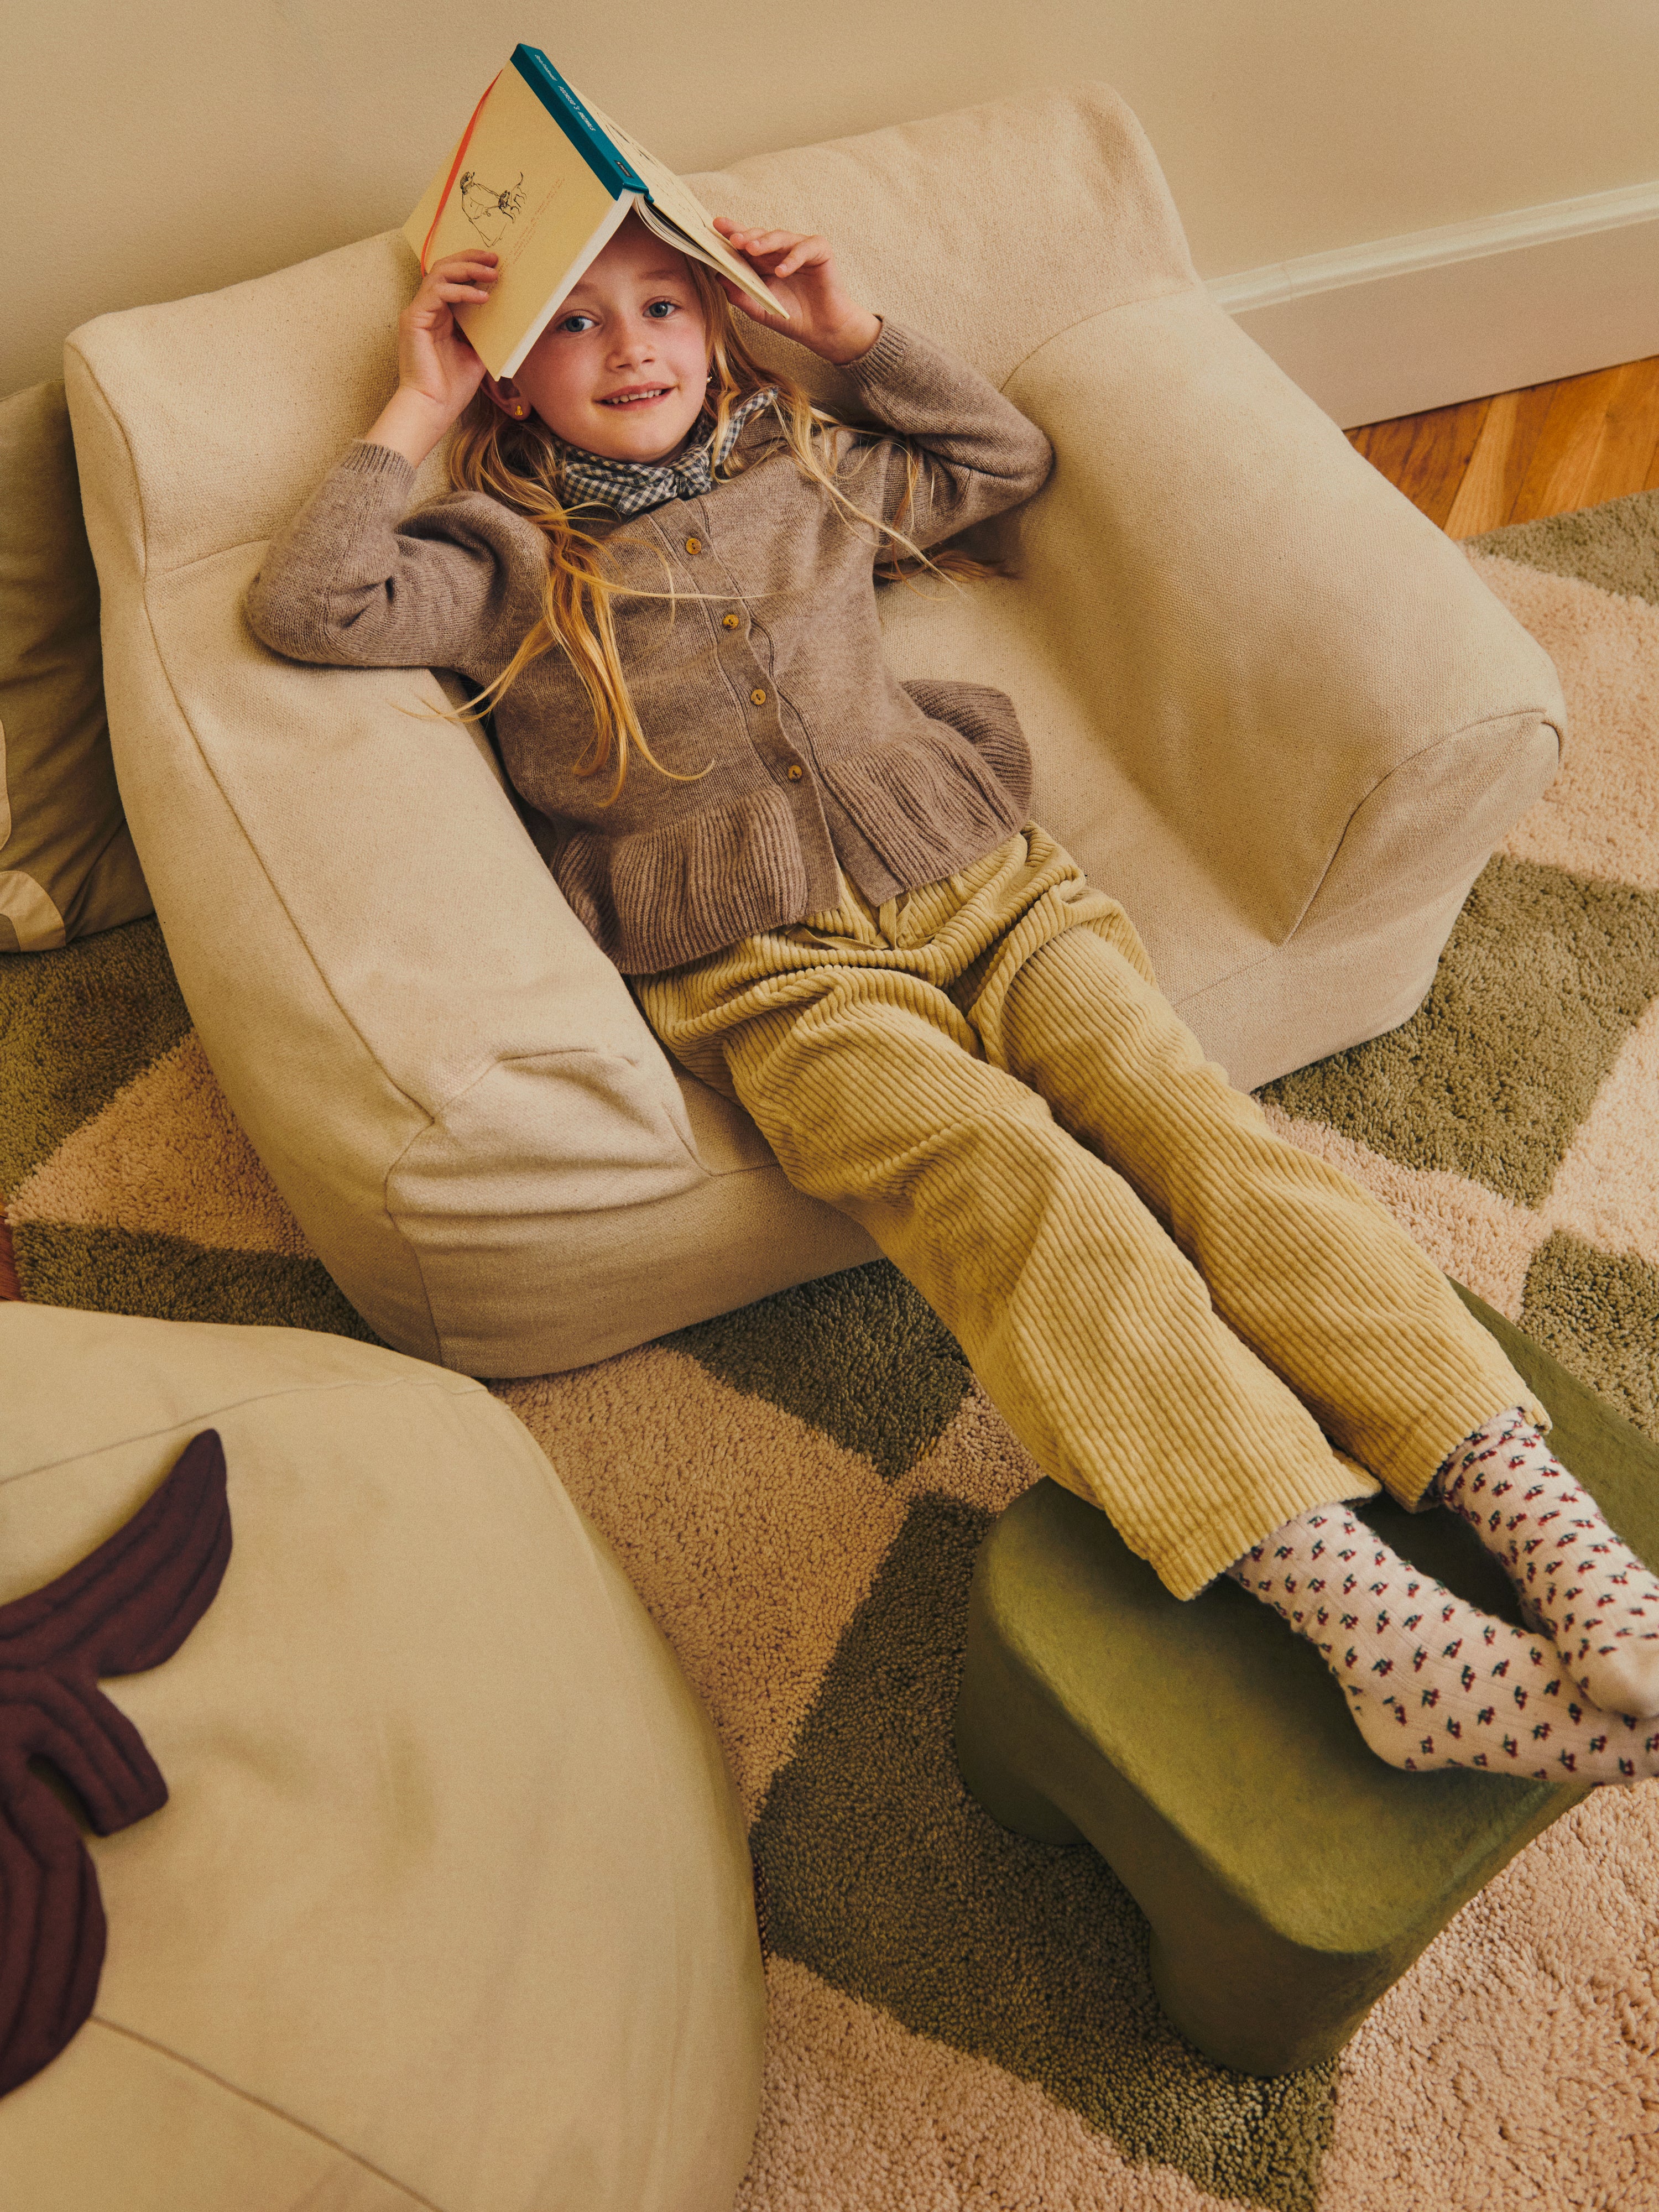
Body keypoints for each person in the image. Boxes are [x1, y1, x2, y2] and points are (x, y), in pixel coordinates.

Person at [246, 212, 1659, 1785]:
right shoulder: (498, 564)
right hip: (770, 981)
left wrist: (846, 332)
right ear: (511, 376)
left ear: (716, 326)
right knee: (1020, 1186)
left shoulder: (809, 468)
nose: (634, 345)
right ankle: (1375, 1628)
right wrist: (411, 409)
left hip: (992, 884)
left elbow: (1003, 459)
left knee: (1194, 1127)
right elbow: (308, 606)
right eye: (574, 326)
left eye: (663, 305)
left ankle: (1539, 1517)